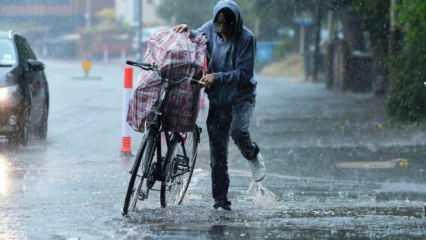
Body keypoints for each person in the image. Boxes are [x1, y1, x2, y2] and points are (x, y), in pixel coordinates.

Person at [175, 0, 265, 211]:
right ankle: (221, 201)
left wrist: (218, 77)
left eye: (228, 24)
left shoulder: (246, 38)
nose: (223, 29)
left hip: (241, 98)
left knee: (238, 132)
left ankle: (252, 153)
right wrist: (187, 31)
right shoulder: (210, 28)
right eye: (219, 24)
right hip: (218, 99)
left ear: (236, 23)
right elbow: (197, 36)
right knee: (218, 153)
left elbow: (244, 75)